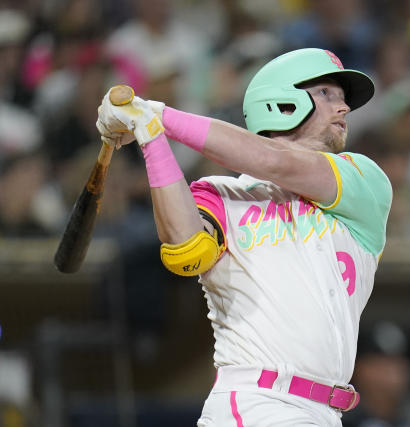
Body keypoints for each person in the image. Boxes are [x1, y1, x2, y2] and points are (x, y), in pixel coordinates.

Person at [95, 48, 392, 426]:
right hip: (256, 402)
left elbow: (274, 161)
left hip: (324, 412)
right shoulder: (219, 193)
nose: (344, 108)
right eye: (327, 94)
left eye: (343, 99)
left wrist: (159, 114)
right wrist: (151, 137)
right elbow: (186, 250)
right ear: (282, 104)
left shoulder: (363, 179)